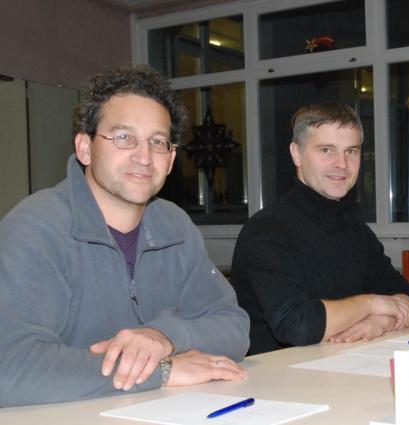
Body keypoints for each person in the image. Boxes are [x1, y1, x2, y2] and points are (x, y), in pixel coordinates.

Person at [0, 65, 250, 407]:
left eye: (157, 142)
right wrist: (161, 371)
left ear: (171, 159)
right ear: (85, 148)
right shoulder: (36, 228)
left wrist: (164, 335)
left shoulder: (174, 225)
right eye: (123, 137)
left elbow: (234, 325)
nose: (144, 157)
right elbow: (10, 367)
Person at [231, 102, 409, 355]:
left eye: (351, 151)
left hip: (343, 363)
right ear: (296, 154)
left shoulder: (355, 229)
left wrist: (382, 321)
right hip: (279, 374)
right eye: (326, 150)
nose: (342, 163)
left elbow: (408, 295)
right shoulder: (266, 231)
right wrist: (371, 304)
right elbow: (298, 326)